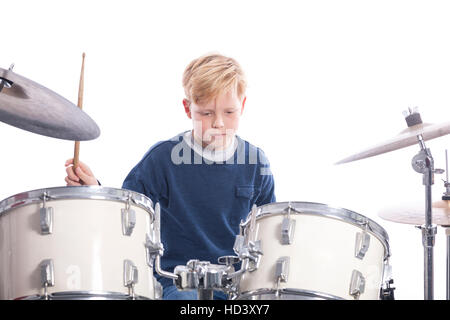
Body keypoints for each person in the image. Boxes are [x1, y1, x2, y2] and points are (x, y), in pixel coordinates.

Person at [64, 53, 276, 300]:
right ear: (188, 108)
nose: (219, 123)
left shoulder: (256, 162)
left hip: (236, 286)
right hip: (177, 282)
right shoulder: (162, 159)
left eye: (229, 112)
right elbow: (127, 214)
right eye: (206, 113)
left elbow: (268, 236)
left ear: (243, 105)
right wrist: (94, 188)